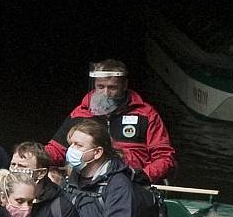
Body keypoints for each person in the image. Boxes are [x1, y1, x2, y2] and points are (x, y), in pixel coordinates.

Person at [45, 59, 176, 184]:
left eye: (112, 87)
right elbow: (57, 149)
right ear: (94, 84)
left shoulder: (146, 114)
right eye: (100, 87)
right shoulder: (80, 113)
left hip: (133, 183)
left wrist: (145, 175)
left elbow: (164, 157)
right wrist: (35, 158)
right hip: (85, 183)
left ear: (124, 85)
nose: (106, 93)